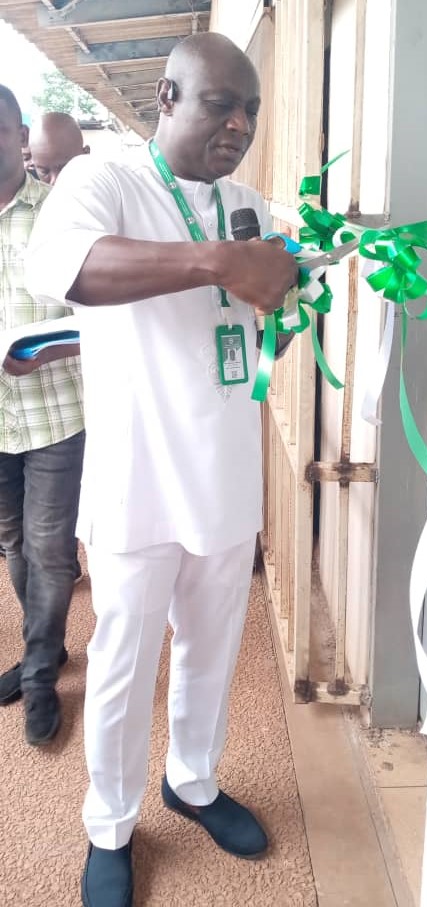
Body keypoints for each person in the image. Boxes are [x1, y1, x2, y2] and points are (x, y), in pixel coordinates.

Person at [26, 33, 298, 907]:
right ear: (167, 99)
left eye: (250, 109)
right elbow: (66, 267)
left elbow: (295, 285)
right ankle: (109, 823)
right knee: (122, 663)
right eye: (221, 103)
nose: (240, 124)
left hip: (225, 476)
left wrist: (305, 283)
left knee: (213, 651)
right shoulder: (102, 182)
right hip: (136, 483)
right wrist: (215, 261)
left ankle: (194, 780)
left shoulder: (248, 204)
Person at [0, 85, 85, 746]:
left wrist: (44, 348)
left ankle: (37, 678)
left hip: (55, 412)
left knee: (51, 550)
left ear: (20, 137)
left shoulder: (59, 212)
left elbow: (101, 312)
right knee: (14, 542)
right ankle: (44, 649)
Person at [28, 111, 91, 583]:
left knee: (56, 529)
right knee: (23, 536)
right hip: (25, 399)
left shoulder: (106, 215)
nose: (52, 182)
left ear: (85, 156)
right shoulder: (35, 214)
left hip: (77, 399)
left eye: (62, 168)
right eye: (41, 171)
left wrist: (54, 348)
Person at [28, 111, 90, 186]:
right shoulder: (27, 187)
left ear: (85, 155)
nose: (54, 182)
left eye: (65, 169)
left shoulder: (100, 186)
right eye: (44, 172)